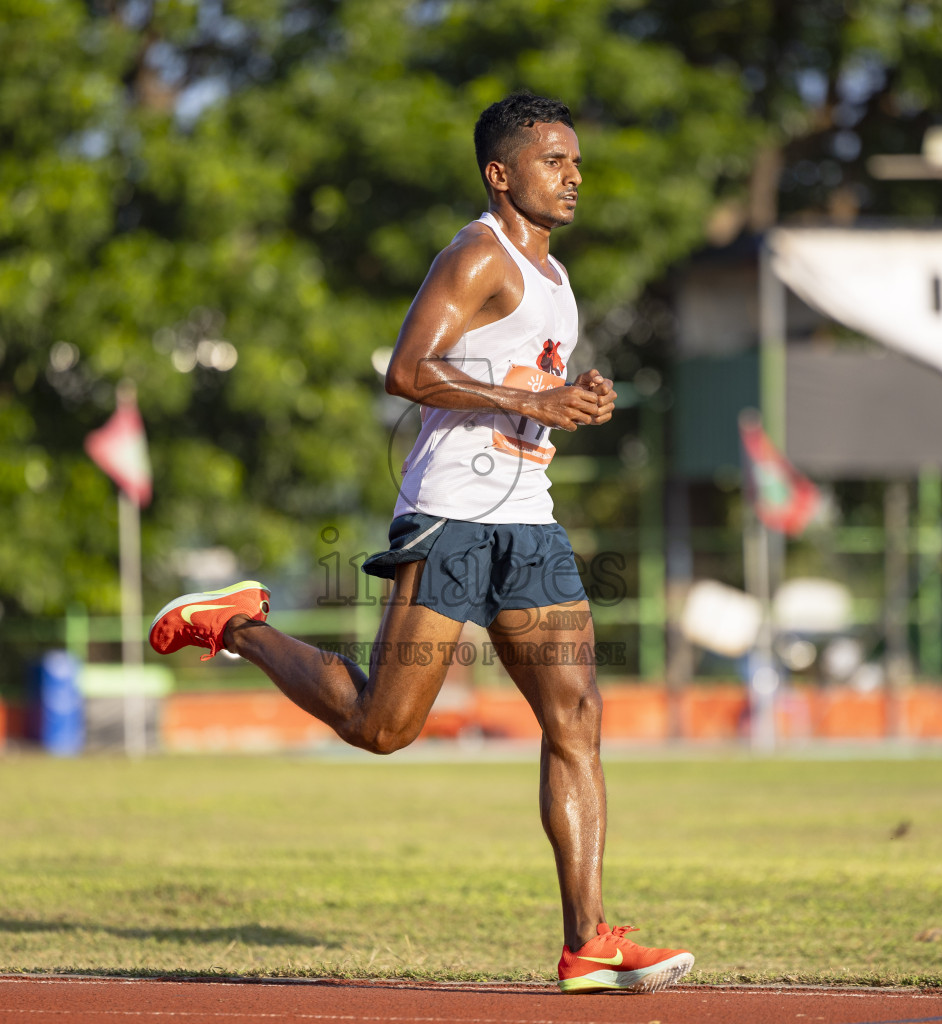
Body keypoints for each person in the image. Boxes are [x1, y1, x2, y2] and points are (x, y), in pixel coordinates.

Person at [147, 93, 693, 994]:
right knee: (382, 726)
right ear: (501, 173)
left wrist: (573, 399)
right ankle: (240, 624)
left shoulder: (556, 280)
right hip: (451, 517)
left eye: (576, 161)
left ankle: (587, 940)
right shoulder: (478, 252)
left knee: (578, 717)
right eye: (554, 161)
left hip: (529, 517)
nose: (574, 176)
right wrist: (533, 402)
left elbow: (524, 383)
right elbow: (408, 370)